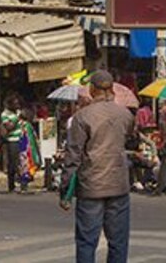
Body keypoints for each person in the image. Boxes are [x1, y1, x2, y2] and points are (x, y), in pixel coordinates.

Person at [61, 70, 136, 263]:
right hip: (118, 184)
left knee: (87, 242)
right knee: (118, 242)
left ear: (92, 90)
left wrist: (65, 190)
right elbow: (129, 139)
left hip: (91, 185)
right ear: (112, 89)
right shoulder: (125, 114)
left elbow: (73, 156)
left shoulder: (82, 117)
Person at [1, 96, 26, 193]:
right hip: (12, 140)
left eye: (18, 104)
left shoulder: (18, 112)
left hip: (21, 139)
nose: (17, 106)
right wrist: (17, 118)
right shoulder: (5, 114)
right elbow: (9, 127)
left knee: (22, 162)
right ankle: (11, 185)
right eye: (15, 104)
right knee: (13, 163)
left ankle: (23, 184)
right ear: (10, 104)